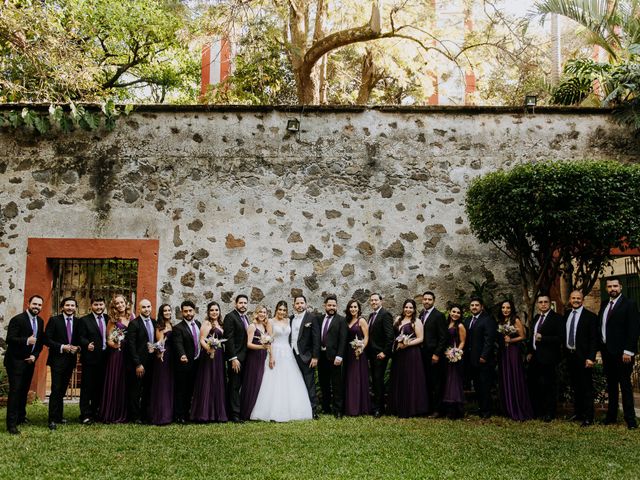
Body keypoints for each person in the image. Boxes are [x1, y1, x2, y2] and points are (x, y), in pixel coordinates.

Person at [250, 301, 312, 422]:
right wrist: (271, 356)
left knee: (290, 380)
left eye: (284, 310)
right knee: (273, 380)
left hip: (288, 353)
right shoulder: (271, 322)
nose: (282, 312)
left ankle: (293, 410)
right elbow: (269, 340)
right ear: (276, 310)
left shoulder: (289, 321)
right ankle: (270, 411)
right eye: (280, 309)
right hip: (275, 352)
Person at [598, 277, 640, 429]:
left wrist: (628, 351)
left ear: (620, 287)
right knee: (611, 386)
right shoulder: (604, 304)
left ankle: (630, 420)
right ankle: (611, 416)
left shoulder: (629, 304)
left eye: (615, 286)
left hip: (623, 354)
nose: (612, 289)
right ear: (606, 289)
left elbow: (634, 329)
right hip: (607, 353)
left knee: (625, 386)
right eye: (609, 286)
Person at [4, 295, 45, 435]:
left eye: (39, 305)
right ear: (28, 303)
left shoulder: (40, 321)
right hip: (15, 361)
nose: (37, 307)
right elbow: (9, 339)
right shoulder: (17, 319)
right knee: (15, 392)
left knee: (24, 391)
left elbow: (39, 343)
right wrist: (27, 341)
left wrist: (35, 355)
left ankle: (21, 417)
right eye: (34, 304)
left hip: (30, 361)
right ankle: (11, 424)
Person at [44, 296, 81, 430]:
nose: (70, 308)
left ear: (75, 308)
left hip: (70, 360)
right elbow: (46, 339)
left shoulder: (78, 322)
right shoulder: (54, 320)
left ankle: (59, 417)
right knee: (56, 389)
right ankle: (52, 419)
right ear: (62, 307)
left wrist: (78, 347)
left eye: (72, 305)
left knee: (62, 390)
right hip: (57, 360)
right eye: (67, 305)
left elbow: (80, 340)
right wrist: (61, 347)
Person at [563, 290, 598, 427]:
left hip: (584, 358)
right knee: (575, 386)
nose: (576, 300)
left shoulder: (590, 317)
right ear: (570, 300)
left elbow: (594, 340)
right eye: (573, 298)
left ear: (582, 300)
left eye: (578, 298)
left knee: (586, 387)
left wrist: (591, 358)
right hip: (570, 356)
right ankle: (578, 413)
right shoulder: (566, 315)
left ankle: (588, 417)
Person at [526, 294, 563, 422]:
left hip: (549, 357)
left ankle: (550, 413)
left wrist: (544, 339)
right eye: (540, 302)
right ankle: (538, 411)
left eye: (545, 302)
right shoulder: (537, 318)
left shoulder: (557, 318)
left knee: (549, 386)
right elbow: (532, 337)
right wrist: (530, 351)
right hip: (536, 357)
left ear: (550, 304)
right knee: (535, 385)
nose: (543, 304)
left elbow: (560, 338)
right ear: (538, 304)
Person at [389, 299, 428, 418]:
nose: (408, 310)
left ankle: (412, 407)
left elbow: (420, 338)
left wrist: (407, 344)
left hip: (411, 353)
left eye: (411, 308)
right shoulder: (398, 320)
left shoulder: (416, 321)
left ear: (414, 309)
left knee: (410, 378)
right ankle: (396, 406)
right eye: (406, 307)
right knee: (399, 377)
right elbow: (394, 335)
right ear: (403, 308)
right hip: (399, 354)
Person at [191, 301, 228, 423]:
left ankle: (217, 413)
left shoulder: (221, 324)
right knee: (208, 381)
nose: (214, 312)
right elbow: (201, 340)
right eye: (212, 310)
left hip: (219, 357)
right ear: (208, 312)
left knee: (217, 381)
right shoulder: (207, 323)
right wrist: (209, 349)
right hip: (208, 356)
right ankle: (204, 413)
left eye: (216, 310)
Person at [496, 299, 533, 421]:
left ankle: (518, 407)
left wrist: (510, 340)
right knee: (505, 376)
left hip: (513, 351)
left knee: (514, 375)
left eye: (508, 308)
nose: (505, 310)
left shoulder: (515, 320)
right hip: (504, 352)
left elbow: (523, 336)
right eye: (503, 308)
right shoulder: (501, 321)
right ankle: (507, 407)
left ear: (511, 309)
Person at [99, 294, 131, 423]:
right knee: (116, 380)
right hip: (117, 354)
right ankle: (112, 413)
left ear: (125, 303)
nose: (120, 305)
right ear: (114, 306)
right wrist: (117, 343)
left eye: (121, 302)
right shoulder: (113, 320)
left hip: (129, 354)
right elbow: (109, 340)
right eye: (117, 303)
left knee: (126, 382)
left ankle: (126, 412)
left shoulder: (132, 317)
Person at [77, 296, 109, 425]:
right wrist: (86, 344)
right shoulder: (84, 320)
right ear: (91, 306)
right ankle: (85, 414)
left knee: (100, 387)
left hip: (105, 359)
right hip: (90, 359)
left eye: (101, 304)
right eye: (96, 304)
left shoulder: (108, 319)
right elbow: (80, 337)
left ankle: (96, 412)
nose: (99, 307)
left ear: (104, 305)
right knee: (87, 388)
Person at [464, 296, 497, 419]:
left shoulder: (488, 320)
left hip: (484, 360)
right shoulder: (467, 320)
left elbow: (489, 340)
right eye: (472, 305)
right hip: (471, 360)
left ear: (481, 307)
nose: (474, 307)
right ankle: (480, 408)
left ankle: (486, 411)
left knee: (484, 386)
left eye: (476, 305)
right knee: (477, 386)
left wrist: (484, 356)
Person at [289, 294, 320, 419]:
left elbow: (316, 339)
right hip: (291, 356)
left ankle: (313, 410)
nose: (300, 305)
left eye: (302, 303)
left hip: (306, 357)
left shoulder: (312, 318)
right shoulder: (291, 318)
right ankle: (295, 409)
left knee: (309, 383)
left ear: (306, 304)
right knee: (294, 383)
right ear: (294, 305)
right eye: (297, 303)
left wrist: (315, 357)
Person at [126, 298, 156, 423]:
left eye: (148, 306)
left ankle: (145, 414)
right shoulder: (134, 324)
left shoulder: (155, 322)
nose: (147, 309)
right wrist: (138, 364)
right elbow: (131, 346)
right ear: (139, 309)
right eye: (144, 307)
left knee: (148, 389)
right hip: (139, 363)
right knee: (136, 390)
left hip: (152, 362)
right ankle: (135, 416)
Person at [317, 294, 348, 418]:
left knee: (336, 384)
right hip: (321, 356)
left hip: (334, 357)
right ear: (325, 306)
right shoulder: (319, 319)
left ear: (337, 306)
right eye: (329, 305)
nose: (331, 307)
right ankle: (326, 407)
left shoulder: (341, 320)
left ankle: (338, 410)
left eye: (334, 305)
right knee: (324, 383)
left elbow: (343, 339)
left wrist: (339, 356)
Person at [172, 300, 201, 424]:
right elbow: (178, 343)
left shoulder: (199, 324)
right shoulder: (178, 328)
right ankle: (180, 415)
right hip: (184, 363)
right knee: (181, 390)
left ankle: (190, 413)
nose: (188, 313)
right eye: (185, 311)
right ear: (182, 313)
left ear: (194, 311)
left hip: (197, 362)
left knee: (192, 390)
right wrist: (182, 354)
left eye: (190, 311)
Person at [419, 291, 448, 418]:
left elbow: (443, 338)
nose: (426, 301)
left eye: (429, 299)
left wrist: (437, 354)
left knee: (436, 383)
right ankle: (428, 407)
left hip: (434, 355)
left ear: (434, 301)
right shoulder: (421, 315)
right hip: (423, 354)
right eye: (425, 299)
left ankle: (437, 410)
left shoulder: (439, 316)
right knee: (427, 382)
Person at [366, 293, 394, 417]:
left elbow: (390, 336)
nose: (374, 302)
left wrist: (385, 352)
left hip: (380, 354)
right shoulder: (371, 316)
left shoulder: (385, 315)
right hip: (372, 354)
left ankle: (378, 409)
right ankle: (379, 406)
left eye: (376, 300)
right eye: (372, 300)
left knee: (378, 380)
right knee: (375, 381)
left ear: (381, 301)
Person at [240, 305, 270, 420]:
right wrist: (262, 346)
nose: (262, 314)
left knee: (260, 382)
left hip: (263, 357)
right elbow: (248, 344)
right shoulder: (252, 326)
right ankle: (246, 411)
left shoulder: (264, 326)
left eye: (264, 312)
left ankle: (256, 410)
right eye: (260, 312)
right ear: (256, 313)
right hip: (253, 357)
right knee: (252, 382)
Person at [223, 294, 249, 423]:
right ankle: (234, 414)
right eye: (241, 303)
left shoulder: (246, 318)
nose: (243, 305)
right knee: (234, 385)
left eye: (245, 303)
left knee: (239, 385)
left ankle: (237, 411)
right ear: (235, 304)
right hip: (236, 359)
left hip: (245, 358)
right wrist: (233, 358)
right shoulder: (230, 317)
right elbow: (229, 339)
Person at [343, 299, 371, 416]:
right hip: (348, 353)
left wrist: (361, 348)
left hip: (358, 353)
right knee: (350, 378)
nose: (353, 309)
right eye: (351, 307)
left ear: (359, 308)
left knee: (357, 379)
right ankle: (350, 407)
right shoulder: (347, 320)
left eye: (355, 307)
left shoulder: (362, 320)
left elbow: (366, 337)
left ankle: (359, 407)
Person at [149, 303, 174, 425]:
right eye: (165, 311)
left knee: (170, 383)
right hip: (163, 357)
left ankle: (169, 413)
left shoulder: (171, 324)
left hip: (172, 357)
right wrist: (161, 352)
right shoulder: (159, 326)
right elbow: (159, 343)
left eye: (169, 310)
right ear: (161, 312)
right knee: (162, 384)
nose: (168, 312)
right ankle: (161, 415)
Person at [441, 304, 466, 419]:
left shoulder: (460, 326)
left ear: (460, 315)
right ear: (449, 312)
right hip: (445, 355)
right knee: (447, 381)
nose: (455, 314)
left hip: (455, 357)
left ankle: (456, 410)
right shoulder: (446, 324)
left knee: (454, 382)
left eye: (458, 312)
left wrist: (455, 352)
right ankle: (447, 408)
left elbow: (462, 341)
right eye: (453, 311)